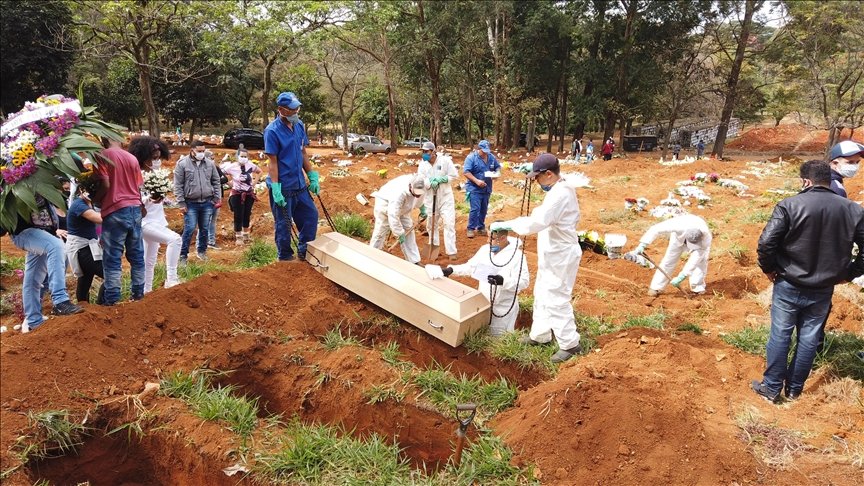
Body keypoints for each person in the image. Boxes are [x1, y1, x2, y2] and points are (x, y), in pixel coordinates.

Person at [751, 160, 864, 403]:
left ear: (806, 181)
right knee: (809, 337)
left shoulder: (790, 205)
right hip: (824, 287)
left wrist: (769, 268)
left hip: (789, 282)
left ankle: (771, 388)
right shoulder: (853, 209)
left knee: (780, 334)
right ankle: (794, 390)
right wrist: (849, 273)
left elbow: (766, 243)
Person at [491, 153, 584, 363]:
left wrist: (509, 224)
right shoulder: (559, 188)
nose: (536, 181)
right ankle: (540, 335)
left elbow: (537, 222)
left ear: (549, 174)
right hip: (552, 253)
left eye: (538, 177)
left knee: (556, 296)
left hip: (561, 255)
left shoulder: (560, 195)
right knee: (541, 292)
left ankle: (570, 344)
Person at [426, 227, 529, 336]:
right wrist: (451, 270)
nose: (487, 241)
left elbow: (524, 281)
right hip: (483, 304)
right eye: (488, 237)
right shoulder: (485, 250)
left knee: (498, 339)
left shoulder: (517, 256)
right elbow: (471, 267)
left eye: (491, 238)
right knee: (482, 335)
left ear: (503, 238)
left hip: (503, 308)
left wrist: (503, 281)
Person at [9, 195, 83, 330]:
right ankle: (60, 301)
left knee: (33, 278)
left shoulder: (41, 179)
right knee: (56, 246)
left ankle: (33, 321)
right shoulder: (13, 183)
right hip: (24, 231)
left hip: (45, 232)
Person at [264, 91, 320, 261]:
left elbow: (303, 152)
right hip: (283, 186)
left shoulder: (299, 125)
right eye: (292, 110)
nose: (296, 112)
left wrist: (311, 175)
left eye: (297, 109)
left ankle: (304, 252)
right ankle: (285, 257)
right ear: (282, 110)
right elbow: (272, 162)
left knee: (311, 216)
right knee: (284, 224)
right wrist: (275, 188)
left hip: (299, 184)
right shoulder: (272, 131)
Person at [128, 136, 181, 292]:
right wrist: (148, 198)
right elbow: (133, 200)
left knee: (149, 260)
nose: (157, 161)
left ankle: (147, 291)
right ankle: (172, 278)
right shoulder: (135, 176)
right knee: (175, 240)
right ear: (143, 158)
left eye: (159, 158)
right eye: (154, 158)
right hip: (144, 222)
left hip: (158, 220)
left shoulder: (158, 175)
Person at [97, 137, 147, 305]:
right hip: (134, 208)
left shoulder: (103, 155)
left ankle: (112, 301)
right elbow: (138, 186)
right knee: (137, 254)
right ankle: (138, 295)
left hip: (115, 209)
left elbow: (104, 183)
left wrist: (96, 199)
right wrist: (141, 206)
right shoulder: (131, 158)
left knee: (112, 258)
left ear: (104, 139)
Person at [628, 214, 712, 297]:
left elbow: (696, 258)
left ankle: (697, 287)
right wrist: (643, 244)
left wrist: (682, 276)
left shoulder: (706, 237)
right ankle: (656, 287)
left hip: (700, 246)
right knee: (669, 260)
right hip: (678, 239)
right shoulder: (678, 225)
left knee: (701, 262)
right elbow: (655, 229)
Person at [174, 141, 221, 264]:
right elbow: (178, 185)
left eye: (203, 151)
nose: (201, 153)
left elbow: (216, 181)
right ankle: (183, 255)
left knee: (204, 228)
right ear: (192, 150)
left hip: (207, 202)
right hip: (190, 203)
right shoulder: (182, 164)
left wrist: (216, 197)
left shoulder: (210, 164)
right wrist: (181, 203)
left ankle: (202, 251)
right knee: (189, 229)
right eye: (199, 151)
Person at [369, 174, 427, 264]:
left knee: (408, 229)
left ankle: (414, 261)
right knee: (381, 230)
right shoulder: (399, 193)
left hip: (403, 208)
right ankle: (372, 256)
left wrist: (422, 207)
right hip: (385, 203)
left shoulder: (422, 185)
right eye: (416, 194)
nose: (417, 196)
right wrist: (399, 233)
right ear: (411, 187)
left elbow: (420, 198)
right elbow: (393, 214)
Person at [417, 141, 459, 260]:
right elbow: (421, 179)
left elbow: (454, 175)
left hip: (445, 197)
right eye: (423, 152)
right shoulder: (423, 164)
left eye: (427, 152)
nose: (424, 154)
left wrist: (443, 179)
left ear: (433, 152)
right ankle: (434, 249)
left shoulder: (445, 161)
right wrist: (429, 182)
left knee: (449, 223)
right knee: (431, 225)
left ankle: (451, 252)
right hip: (430, 198)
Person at [65, 187, 105, 304]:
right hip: (81, 249)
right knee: (111, 275)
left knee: (86, 278)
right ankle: (101, 306)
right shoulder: (79, 205)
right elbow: (98, 218)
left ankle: (84, 309)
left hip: (87, 247)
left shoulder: (88, 203)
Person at [221, 147, 263, 245]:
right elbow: (223, 173)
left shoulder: (250, 165)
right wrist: (230, 184)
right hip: (237, 194)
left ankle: (246, 235)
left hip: (249, 193)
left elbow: (260, 171)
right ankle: (238, 237)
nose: (243, 158)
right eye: (241, 156)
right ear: (237, 157)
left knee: (247, 214)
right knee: (238, 214)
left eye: (245, 156)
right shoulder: (232, 167)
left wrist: (255, 182)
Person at [463, 140, 501, 238]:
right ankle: (471, 228)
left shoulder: (491, 157)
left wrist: (496, 174)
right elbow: (466, 172)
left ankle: (480, 227)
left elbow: (497, 167)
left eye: (487, 151)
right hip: (474, 188)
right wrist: (476, 181)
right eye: (483, 151)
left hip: (487, 188)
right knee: (475, 209)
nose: (485, 153)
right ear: (479, 149)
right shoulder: (471, 158)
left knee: (484, 209)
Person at [204, 149, 227, 250]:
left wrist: (216, 182)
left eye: (213, 158)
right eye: (211, 158)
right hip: (207, 198)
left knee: (213, 220)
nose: (213, 160)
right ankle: (203, 241)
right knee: (205, 220)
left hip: (217, 197)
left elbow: (225, 178)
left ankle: (211, 241)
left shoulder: (216, 168)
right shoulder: (202, 170)